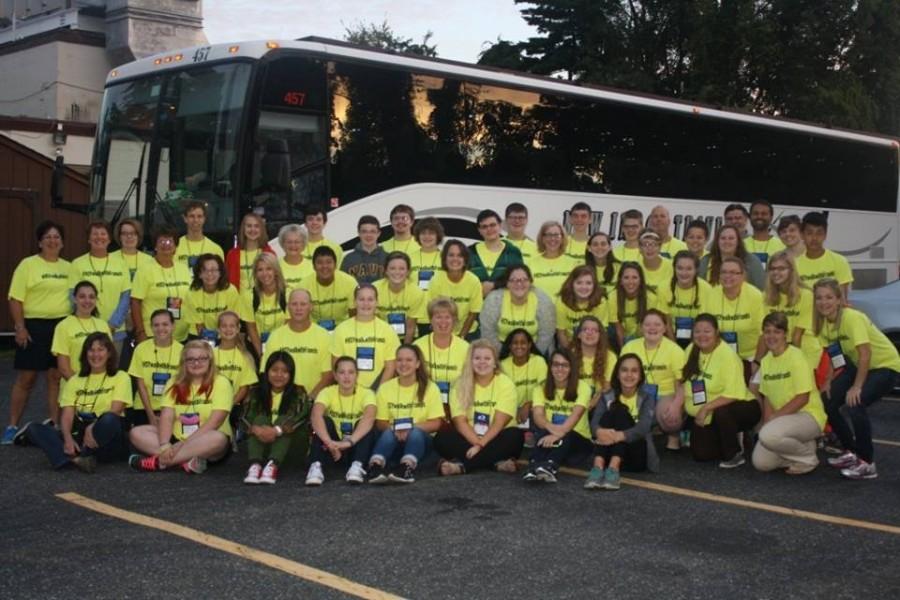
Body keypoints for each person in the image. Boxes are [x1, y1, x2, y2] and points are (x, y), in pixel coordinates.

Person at [814, 279, 900, 480]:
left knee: (855, 403)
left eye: (829, 297)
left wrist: (857, 387)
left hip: (884, 365)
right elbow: (835, 355)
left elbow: (865, 354)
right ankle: (851, 451)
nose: (823, 302)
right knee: (827, 401)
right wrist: (828, 380)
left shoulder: (852, 318)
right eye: (819, 298)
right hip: (857, 364)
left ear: (839, 299)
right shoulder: (825, 324)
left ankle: (867, 463)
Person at [4, 221, 74, 443]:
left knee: (55, 376)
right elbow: (15, 298)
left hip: (60, 326)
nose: (52, 241)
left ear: (62, 242)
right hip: (33, 327)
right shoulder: (28, 265)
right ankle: (12, 425)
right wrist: (20, 327)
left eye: (57, 237)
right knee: (27, 377)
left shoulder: (69, 268)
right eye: (48, 237)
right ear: (40, 242)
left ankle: (54, 423)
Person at [22, 332, 131, 472]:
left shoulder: (121, 377)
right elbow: (67, 414)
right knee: (34, 428)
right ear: (85, 354)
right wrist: (67, 438)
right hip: (81, 433)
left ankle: (72, 457)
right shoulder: (75, 380)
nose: (95, 355)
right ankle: (77, 459)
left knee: (109, 419)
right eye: (91, 350)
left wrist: (92, 427)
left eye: (100, 350)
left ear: (109, 353)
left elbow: (116, 410)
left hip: (107, 436)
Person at [129, 340, 233, 473]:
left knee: (218, 439)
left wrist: (183, 444)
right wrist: (164, 445)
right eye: (190, 359)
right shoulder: (174, 382)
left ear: (210, 361)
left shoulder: (221, 382)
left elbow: (215, 422)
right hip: (176, 439)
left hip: (205, 439)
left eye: (202, 358)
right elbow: (166, 416)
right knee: (137, 433)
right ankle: (184, 460)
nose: (196, 363)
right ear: (184, 363)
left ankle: (159, 462)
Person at [751, 312, 826, 475]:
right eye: (767, 331)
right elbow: (768, 399)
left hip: (807, 415)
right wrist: (767, 423)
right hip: (783, 419)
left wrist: (773, 420)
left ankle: (808, 458)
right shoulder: (766, 361)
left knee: (769, 435)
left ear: (785, 334)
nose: (771, 336)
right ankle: (802, 447)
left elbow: (803, 398)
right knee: (761, 463)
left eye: (776, 332)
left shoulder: (796, 356)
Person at [681, 314, 760, 467]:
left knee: (722, 412)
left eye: (707, 331)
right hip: (709, 412)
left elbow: (733, 394)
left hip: (741, 406)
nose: (702, 335)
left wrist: (705, 408)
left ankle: (734, 453)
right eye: (697, 331)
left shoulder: (727, 356)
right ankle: (724, 434)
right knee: (701, 455)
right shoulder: (691, 349)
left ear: (717, 332)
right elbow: (683, 380)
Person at [435, 340, 524, 475]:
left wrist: (481, 445)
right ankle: (496, 463)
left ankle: (462, 467)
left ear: (495, 362)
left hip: (497, 437)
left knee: (515, 435)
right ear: (470, 361)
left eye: (487, 358)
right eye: (477, 358)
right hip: (469, 437)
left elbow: (499, 423)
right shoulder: (460, 384)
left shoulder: (506, 383)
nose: (482, 362)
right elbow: (460, 422)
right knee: (442, 437)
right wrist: (477, 443)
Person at [367, 345, 444, 484]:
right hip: (393, 439)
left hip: (420, 442)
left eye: (409, 360)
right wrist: (395, 429)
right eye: (399, 360)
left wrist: (410, 428)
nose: (403, 364)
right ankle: (375, 467)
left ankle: (406, 468)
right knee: (389, 432)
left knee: (415, 432)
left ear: (418, 364)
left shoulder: (431, 388)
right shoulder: (385, 388)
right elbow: (380, 422)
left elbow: (436, 423)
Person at [584, 354, 658, 490]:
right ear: (617, 374)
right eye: (624, 370)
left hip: (635, 456)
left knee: (620, 412)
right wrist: (600, 431)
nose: (629, 375)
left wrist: (618, 436)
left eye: (634, 371)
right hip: (608, 453)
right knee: (610, 413)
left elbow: (644, 427)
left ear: (641, 375)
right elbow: (594, 424)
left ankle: (613, 469)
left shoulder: (647, 397)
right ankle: (598, 468)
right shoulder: (607, 395)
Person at [524, 348, 593, 482]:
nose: (559, 369)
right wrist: (551, 429)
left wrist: (558, 433)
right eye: (556, 364)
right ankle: (533, 466)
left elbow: (575, 417)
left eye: (565, 365)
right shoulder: (540, 388)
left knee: (566, 434)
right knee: (543, 433)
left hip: (578, 442)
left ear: (572, 368)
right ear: (550, 367)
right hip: (552, 437)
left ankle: (550, 466)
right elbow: (538, 416)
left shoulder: (583, 387)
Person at [306, 356, 377, 485]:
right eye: (342, 372)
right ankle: (316, 466)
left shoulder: (367, 393)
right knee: (324, 421)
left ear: (357, 375)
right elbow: (315, 415)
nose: (346, 376)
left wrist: (349, 443)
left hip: (355, 445)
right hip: (333, 449)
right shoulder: (326, 392)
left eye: (351, 372)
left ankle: (357, 466)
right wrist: (330, 443)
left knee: (365, 424)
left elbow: (369, 417)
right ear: (335, 375)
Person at [242, 352, 310, 485]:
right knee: (260, 419)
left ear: (291, 374)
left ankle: (273, 466)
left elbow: (299, 418)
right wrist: (257, 430)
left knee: (283, 420)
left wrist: (277, 430)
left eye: (284, 371)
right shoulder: (255, 391)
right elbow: (244, 419)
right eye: (274, 370)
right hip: (263, 446)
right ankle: (255, 466)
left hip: (291, 449)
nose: (279, 375)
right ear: (267, 371)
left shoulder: (299, 392)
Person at [622, 310, 686, 451]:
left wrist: (676, 405)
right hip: (638, 394)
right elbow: (621, 377)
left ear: (664, 328)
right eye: (648, 324)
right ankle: (646, 431)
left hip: (665, 394)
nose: (652, 328)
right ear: (641, 327)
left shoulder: (675, 350)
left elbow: (681, 383)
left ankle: (673, 436)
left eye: (657, 324)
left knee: (670, 418)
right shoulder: (630, 347)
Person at [260, 288, 333, 399]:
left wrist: (309, 400)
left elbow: (328, 375)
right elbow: (266, 372)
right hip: (281, 403)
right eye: (294, 304)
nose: (298, 308)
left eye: (303, 304)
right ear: (288, 307)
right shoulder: (275, 336)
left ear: (311, 307)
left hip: (314, 400)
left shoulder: (324, 336)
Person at [69, 221, 131, 344]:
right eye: (95, 234)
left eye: (103, 234)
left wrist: (113, 324)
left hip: (115, 331)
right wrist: (90, 322)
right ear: (88, 239)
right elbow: (72, 296)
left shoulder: (121, 264)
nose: (99, 237)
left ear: (109, 239)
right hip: (86, 329)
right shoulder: (77, 264)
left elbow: (126, 297)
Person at [331, 284, 400, 390]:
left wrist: (378, 392)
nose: (366, 303)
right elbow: (336, 365)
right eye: (361, 299)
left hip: (378, 388)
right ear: (354, 302)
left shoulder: (388, 330)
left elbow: (390, 367)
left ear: (377, 302)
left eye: (370, 299)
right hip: (349, 390)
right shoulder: (341, 329)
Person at [131, 226, 193, 343]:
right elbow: (135, 302)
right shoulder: (145, 270)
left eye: (170, 241)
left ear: (175, 247)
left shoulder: (183, 269)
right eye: (161, 241)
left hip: (181, 335)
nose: (166, 244)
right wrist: (140, 331)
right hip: (153, 334)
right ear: (155, 246)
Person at [761, 251, 821, 369]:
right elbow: (766, 332)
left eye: (781, 269)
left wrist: (791, 362)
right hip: (777, 349)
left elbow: (797, 335)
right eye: (772, 269)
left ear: (791, 271)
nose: (776, 273)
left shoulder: (806, 295)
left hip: (802, 350)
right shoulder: (766, 296)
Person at [708, 257, 765, 380]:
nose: (728, 276)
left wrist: (757, 362)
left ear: (743, 275)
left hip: (750, 357)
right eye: (724, 272)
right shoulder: (710, 295)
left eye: (733, 272)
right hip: (719, 356)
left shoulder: (756, 296)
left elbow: (763, 333)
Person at [480, 264, 556, 356]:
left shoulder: (543, 301)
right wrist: (503, 356)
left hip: (535, 349)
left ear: (531, 282)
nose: (519, 284)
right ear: (507, 283)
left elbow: (546, 334)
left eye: (524, 280)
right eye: (514, 280)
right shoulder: (494, 300)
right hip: (500, 349)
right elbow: (488, 332)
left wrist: (532, 357)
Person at [128, 309, 183, 427]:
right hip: (144, 407)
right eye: (156, 325)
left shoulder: (183, 351)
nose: (160, 328)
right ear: (151, 328)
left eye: (165, 324)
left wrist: (168, 413)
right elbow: (140, 384)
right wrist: (151, 415)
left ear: (173, 326)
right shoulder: (141, 349)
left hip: (173, 407)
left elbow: (182, 385)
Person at [51, 281, 111, 386]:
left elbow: (109, 358)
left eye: (91, 297)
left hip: (101, 389)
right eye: (82, 296)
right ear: (74, 299)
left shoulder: (103, 325)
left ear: (96, 300)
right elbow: (64, 368)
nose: (87, 301)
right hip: (74, 388)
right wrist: (82, 388)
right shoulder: (63, 326)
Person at [414, 297, 471, 406]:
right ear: (430, 320)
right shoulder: (417, 346)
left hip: (456, 404)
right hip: (423, 403)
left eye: (447, 317)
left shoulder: (466, 348)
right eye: (438, 317)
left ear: (454, 320)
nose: (443, 322)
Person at [183, 253, 249, 345]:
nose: (209, 274)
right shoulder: (191, 294)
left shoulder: (230, 291)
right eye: (205, 270)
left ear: (220, 273)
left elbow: (233, 320)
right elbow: (199, 326)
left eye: (214, 270)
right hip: (199, 336)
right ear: (199, 274)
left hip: (226, 333)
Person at [427, 240, 483, 338]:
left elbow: (473, 313)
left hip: (468, 332)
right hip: (442, 329)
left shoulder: (474, 280)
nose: (455, 259)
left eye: (459, 255)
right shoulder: (436, 280)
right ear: (444, 259)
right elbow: (434, 312)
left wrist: (462, 336)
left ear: (465, 260)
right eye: (451, 255)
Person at [660, 250, 712, 348]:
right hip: (671, 338)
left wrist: (692, 348)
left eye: (689, 269)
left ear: (696, 270)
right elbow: (666, 321)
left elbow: (703, 323)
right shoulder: (663, 287)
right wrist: (674, 346)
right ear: (674, 269)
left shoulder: (706, 289)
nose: (684, 273)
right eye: (680, 268)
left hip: (698, 339)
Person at [300, 246, 357, 332]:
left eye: (329, 262)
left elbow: (355, 316)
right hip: (314, 330)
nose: (324, 266)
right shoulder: (303, 286)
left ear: (335, 265)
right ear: (314, 266)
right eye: (320, 263)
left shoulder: (350, 282)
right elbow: (300, 317)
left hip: (343, 330)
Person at [468, 209, 524, 297]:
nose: (489, 229)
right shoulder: (470, 252)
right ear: (479, 230)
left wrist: (494, 285)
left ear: (500, 225)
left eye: (492, 225)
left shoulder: (513, 252)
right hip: (475, 308)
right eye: (484, 226)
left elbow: (520, 280)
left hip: (506, 307)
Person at [375, 252, 427, 344]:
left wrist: (405, 349)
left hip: (407, 337)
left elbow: (411, 327)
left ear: (408, 272)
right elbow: (376, 323)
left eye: (401, 269)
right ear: (386, 271)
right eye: (392, 268)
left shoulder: (416, 292)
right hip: (382, 336)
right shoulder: (375, 290)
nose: (397, 272)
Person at [500, 329, 548, 429]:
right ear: (509, 346)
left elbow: (545, 390)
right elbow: (501, 395)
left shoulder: (539, 362)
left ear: (530, 345)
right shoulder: (502, 366)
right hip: (510, 410)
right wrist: (514, 410)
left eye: (523, 343)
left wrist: (529, 404)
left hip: (535, 408)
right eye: (515, 343)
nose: (519, 346)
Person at [796, 212, 853, 296]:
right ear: (802, 235)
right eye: (809, 233)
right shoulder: (794, 265)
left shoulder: (840, 261)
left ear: (825, 235)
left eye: (819, 233)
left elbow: (842, 299)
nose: (814, 238)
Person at [608, 262, 662, 349]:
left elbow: (647, 326)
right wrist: (624, 351)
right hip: (621, 336)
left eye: (635, 277)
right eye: (626, 278)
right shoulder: (613, 296)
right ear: (620, 280)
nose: (630, 282)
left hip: (640, 334)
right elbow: (618, 328)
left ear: (641, 280)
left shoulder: (650, 297)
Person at [244, 253, 289, 356]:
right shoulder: (248, 296)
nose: (265, 274)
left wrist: (276, 351)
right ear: (255, 273)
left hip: (282, 345)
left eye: (269, 269)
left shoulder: (288, 294)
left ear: (276, 271)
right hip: (256, 346)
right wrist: (261, 354)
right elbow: (251, 328)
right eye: (260, 270)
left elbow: (287, 326)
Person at [213, 311, 258, 408]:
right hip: (212, 405)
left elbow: (244, 387)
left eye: (232, 326)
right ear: (218, 330)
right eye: (224, 326)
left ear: (238, 329)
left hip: (234, 406)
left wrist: (229, 405)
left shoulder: (245, 356)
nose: (228, 329)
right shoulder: (210, 354)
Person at [556, 265, 608, 349]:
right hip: (569, 344)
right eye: (579, 283)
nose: (584, 287)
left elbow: (602, 333)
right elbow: (561, 333)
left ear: (594, 285)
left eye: (588, 283)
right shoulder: (561, 301)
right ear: (572, 284)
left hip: (594, 343)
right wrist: (571, 354)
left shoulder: (601, 301)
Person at [699, 224, 765, 289]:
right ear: (717, 241)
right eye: (723, 238)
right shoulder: (706, 261)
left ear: (738, 241)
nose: (727, 241)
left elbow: (761, 289)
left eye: (731, 238)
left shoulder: (752, 261)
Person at [571, 316, 617, 405]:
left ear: (600, 336)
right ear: (579, 335)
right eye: (585, 330)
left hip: (600, 400)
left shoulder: (610, 356)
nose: (590, 333)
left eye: (595, 330)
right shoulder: (569, 355)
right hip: (575, 400)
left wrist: (591, 404)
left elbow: (607, 387)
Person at [226, 213, 275, 296]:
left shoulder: (269, 254)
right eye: (249, 226)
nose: (253, 229)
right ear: (243, 229)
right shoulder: (232, 255)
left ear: (261, 229)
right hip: (238, 305)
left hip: (262, 305)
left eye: (256, 226)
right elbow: (226, 282)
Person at [531, 220, 578, 298]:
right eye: (548, 235)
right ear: (542, 238)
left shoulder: (573, 264)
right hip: (540, 309)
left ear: (562, 238)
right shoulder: (530, 263)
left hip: (565, 309)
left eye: (556, 235)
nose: (552, 238)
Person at [175, 201, 224, 270]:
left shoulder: (215, 249)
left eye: (199, 216)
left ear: (204, 219)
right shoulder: (174, 247)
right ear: (185, 218)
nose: (196, 220)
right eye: (192, 216)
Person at [341, 215, 387, 284]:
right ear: (359, 233)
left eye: (372, 231)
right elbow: (343, 284)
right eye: (364, 231)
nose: (368, 235)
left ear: (378, 233)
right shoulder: (348, 259)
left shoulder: (387, 258)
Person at [744, 200, 786, 267]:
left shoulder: (782, 245)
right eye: (755, 213)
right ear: (750, 217)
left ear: (771, 217)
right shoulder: (742, 245)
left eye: (764, 214)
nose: (759, 216)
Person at [111, 218, 154, 282]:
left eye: (133, 233)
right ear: (119, 236)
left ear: (138, 236)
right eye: (124, 233)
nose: (129, 236)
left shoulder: (149, 260)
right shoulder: (109, 258)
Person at [409, 217, 444, 291]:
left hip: (440, 301)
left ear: (438, 235)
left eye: (431, 233)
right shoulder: (408, 258)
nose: (427, 236)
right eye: (423, 233)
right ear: (418, 235)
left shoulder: (446, 258)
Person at [278, 223, 314, 293]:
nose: (293, 245)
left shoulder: (313, 266)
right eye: (289, 242)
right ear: (282, 243)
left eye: (297, 242)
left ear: (303, 244)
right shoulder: (275, 266)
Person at [638, 229, 674, 294]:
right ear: (640, 248)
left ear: (660, 247)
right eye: (645, 244)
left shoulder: (672, 266)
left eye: (654, 244)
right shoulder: (635, 267)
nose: (650, 248)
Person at [585, 232, 620, 297]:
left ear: (610, 247)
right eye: (595, 244)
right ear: (589, 248)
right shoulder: (582, 269)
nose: (599, 247)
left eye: (603, 244)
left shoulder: (620, 268)